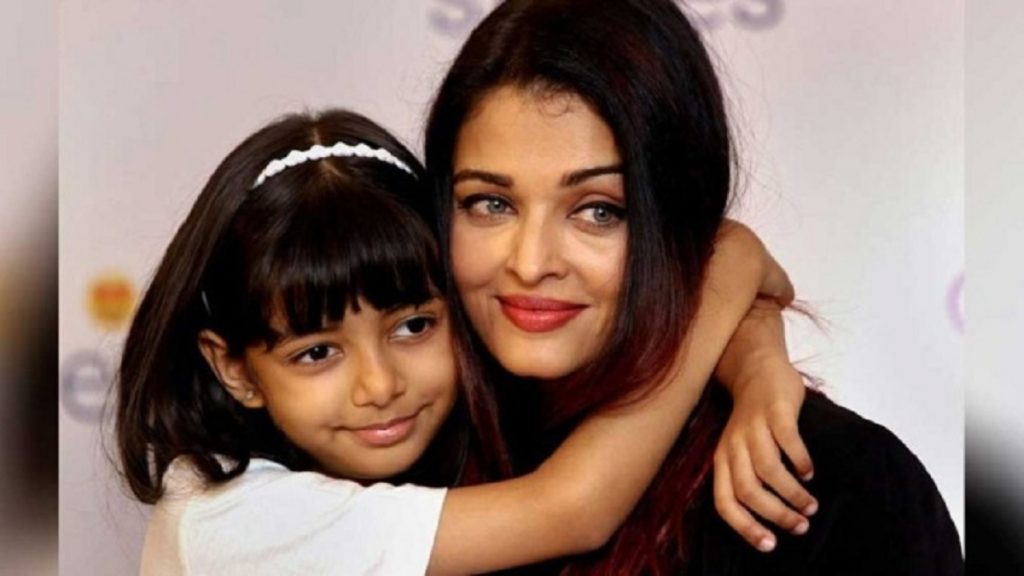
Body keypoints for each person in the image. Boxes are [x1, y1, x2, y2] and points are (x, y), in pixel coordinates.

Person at [116, 108, 812, 575]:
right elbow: (573, 510)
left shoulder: (440, 456)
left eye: (413, 326)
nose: (380, 386)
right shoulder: (230, 521)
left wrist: (755, 360)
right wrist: (727, 263)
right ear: (233, 370)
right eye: (317, 353)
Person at [422, 0, 964, 573]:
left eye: (599, 211)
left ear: (681, 218)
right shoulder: (388, 458)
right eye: (490, 203)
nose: (531, 263)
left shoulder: (837, 484)